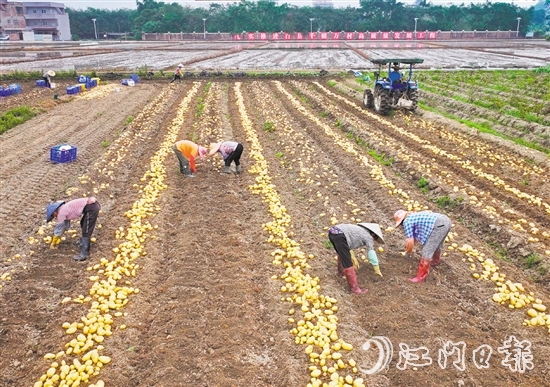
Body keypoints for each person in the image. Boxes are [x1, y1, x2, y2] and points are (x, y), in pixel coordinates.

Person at [394, 209, 452, 283]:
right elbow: (414, 237)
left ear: (402, 221)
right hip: (446, 220)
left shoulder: (407, 221)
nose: (401, 226)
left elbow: (410, 241)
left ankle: (420, 277)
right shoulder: (413, 216)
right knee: (437, 244)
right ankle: (435, 261)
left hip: (439, 225)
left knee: (427, 250)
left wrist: (408, 252)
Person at [327, 222, 385, 295]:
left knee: (342, 254)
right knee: (348, 264)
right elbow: (371, 253)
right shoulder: (368, 236)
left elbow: (348, 244)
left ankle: (340, 273)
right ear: (373, 234)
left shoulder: (360, 230)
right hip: (340, 235)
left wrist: (352, 256)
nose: (373, 240)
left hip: (332, 232)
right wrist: (377, 270)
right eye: (375, 238)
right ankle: (355, 290)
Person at [46, 197, 101, 261]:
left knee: (86, 229)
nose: (55, 217)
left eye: (53, 216)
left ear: (55, 212)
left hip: (91, 207)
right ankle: (83, 243)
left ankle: (84, 253)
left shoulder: (61, 213)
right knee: (83, 223)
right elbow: (65, 225)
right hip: (92, 205)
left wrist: (54, 240)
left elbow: (60, 227)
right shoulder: (63, 209)